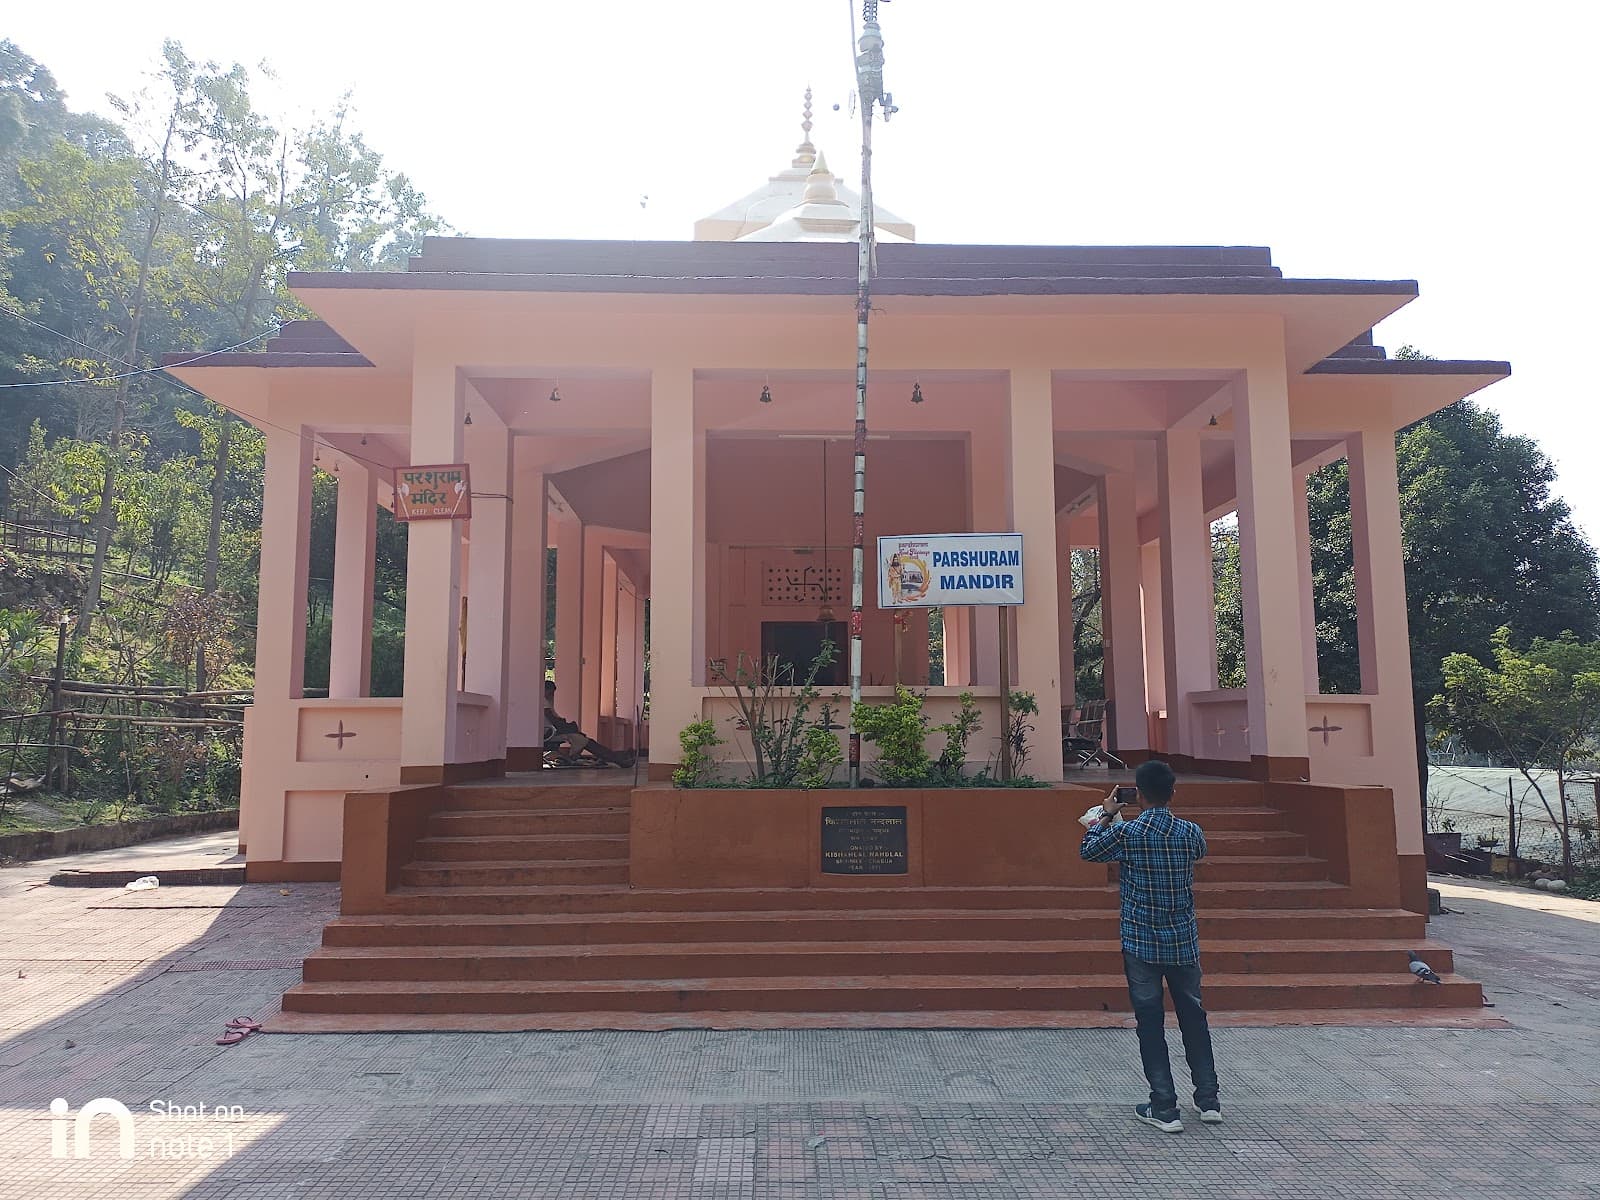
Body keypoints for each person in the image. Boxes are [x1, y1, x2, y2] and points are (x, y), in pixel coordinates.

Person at [1080, 759, 1220, 1134]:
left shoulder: (1129, 834)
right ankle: (1208, 1099)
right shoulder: (1190, 832)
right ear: (1173, 792)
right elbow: (1200, 852)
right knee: (1194, 1016)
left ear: (1137, 794)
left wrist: (1106, 815)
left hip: (1141, 939)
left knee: (1150, 1022)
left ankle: (1164, 1105)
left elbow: (1089, 851)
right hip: (1182, 940)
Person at [543, 680, 632, 767]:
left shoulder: (545, 702)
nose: (552, 696)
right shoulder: (544, 702)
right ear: (545, 690)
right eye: (550, 693)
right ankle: (616, 758)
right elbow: (554, 721)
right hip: (549, 733)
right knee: (583, 740)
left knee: (587, 741)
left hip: (552, 731)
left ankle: (615, 757)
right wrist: (568, 727)